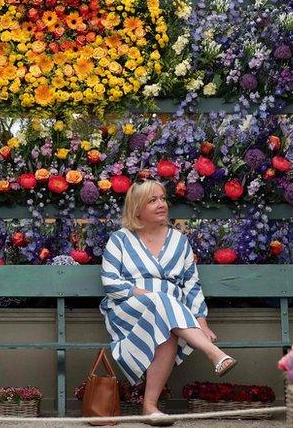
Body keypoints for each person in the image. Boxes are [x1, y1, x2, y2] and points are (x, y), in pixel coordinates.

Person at [100, 179, 236, 425]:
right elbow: (110, 283)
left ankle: (150, 408)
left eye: (163, 198)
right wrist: (147, 295)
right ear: (137, 208)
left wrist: (201, 320)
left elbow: (191, 284)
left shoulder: (179, 241)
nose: (161, 204)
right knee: (162, 302)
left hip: (171, 315)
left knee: (166, 323)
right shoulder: (119, 240)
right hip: (128, 309)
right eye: (152, 200)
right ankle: (213, 353)